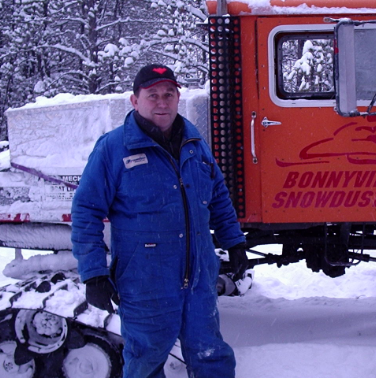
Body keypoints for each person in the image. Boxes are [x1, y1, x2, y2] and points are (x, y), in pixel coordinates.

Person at [71, 63, 249, 378]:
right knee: (145, 361)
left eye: (169, 94)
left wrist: (234, 241)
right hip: (145, 281)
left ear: (178, 98)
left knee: (211, 355)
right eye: (152, 95)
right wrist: (93, 274)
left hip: (198, 277)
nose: (162, 102)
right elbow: (86, 210)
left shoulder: (195, 144)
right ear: (134, 100)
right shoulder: (113, 149)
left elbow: (217, 194)